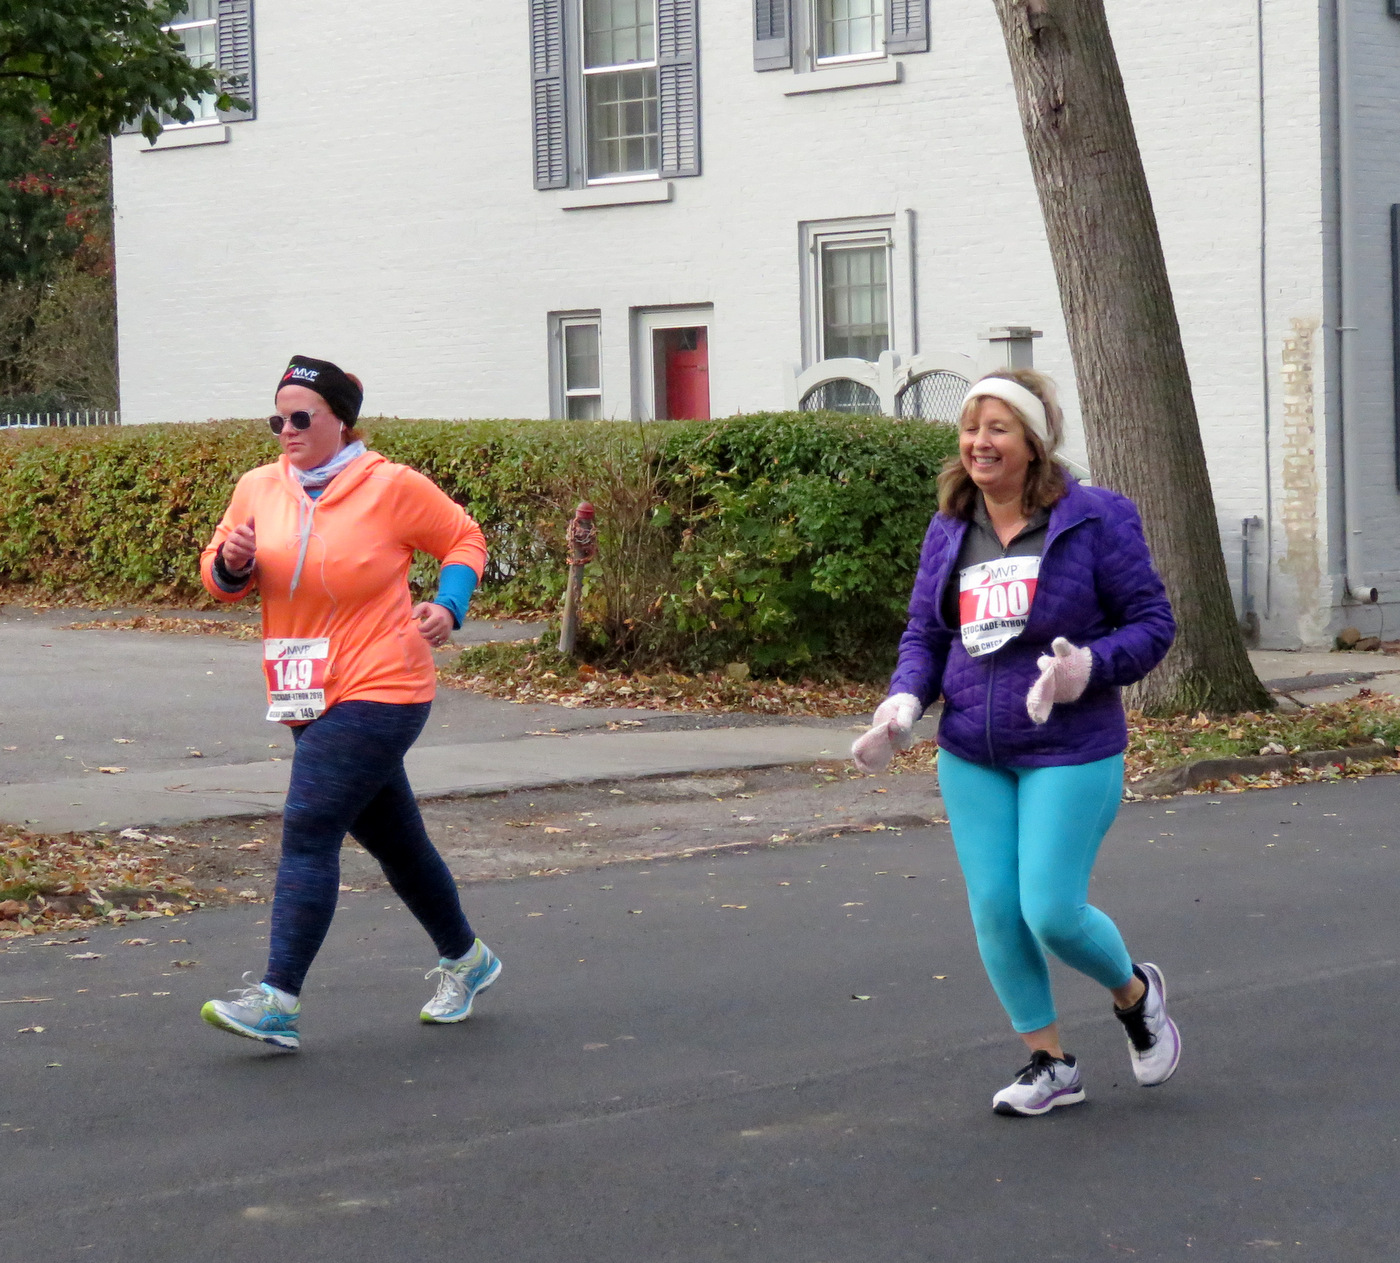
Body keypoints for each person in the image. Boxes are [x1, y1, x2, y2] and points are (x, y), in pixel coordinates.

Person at [852, 369, 1179, 1117]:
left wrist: (1085, 668)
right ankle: (1050, 1063)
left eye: (998, 428)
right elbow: (927, 632)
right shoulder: (951, 525)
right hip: (973, 747)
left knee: (1052, 911)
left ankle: (1136, 995)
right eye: (971, 428)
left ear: (1033, 442)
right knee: (997, 909)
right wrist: (903, 703)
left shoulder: (1095, 518)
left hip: (1072, 744)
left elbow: (1152, 624)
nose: (980, 442)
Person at [197, 354, 500, 1051]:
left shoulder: (390, 486)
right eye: (277, 419)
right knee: (398, 843)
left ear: (340, 421)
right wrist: (232, 562)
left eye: (301, 417)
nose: (287, 431)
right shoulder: (257, 487)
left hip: (384, 683)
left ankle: (278, 999)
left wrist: (449, 605)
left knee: (309, 825)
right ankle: (468, 958)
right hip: (305, 690)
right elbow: (218, 578)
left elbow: (463, 538)